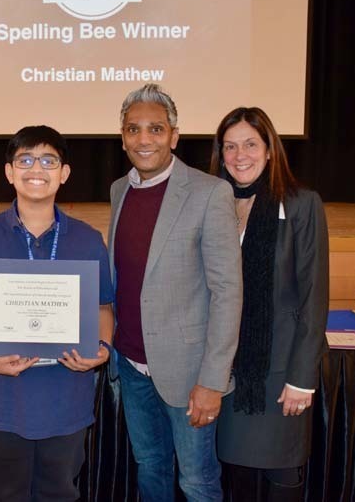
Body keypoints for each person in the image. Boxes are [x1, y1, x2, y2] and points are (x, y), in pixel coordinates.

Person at [0, 125, 115, 501]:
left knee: (60, 494)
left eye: (48, 160)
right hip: (1, 399)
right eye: (25, 159)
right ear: (9, 172)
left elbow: (103, 306)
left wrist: (102, 346)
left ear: (64, 173)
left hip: (65, 399)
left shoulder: (88, 240)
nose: (36, 168)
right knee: (3, 494)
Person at [108, 83, 243, 502]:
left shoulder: (209, 193)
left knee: (197, 482)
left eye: (155, 129)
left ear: (174, 136)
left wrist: (212, 381)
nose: (144, 139)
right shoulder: (119, 190)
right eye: (133, 130)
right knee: (150, 469)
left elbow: (227, 292)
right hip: (131, 366)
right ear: (123, 137)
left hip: (189, 375)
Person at [210, 107, 329, 501]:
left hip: (281, 372)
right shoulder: (212, 205)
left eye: (250, 144)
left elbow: (314, 296)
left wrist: (301, 378)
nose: (240, 155)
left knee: (282, 472)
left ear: (270, 149)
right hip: (228, 371)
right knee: (235, 474)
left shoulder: (300, 204)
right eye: (230, 146)